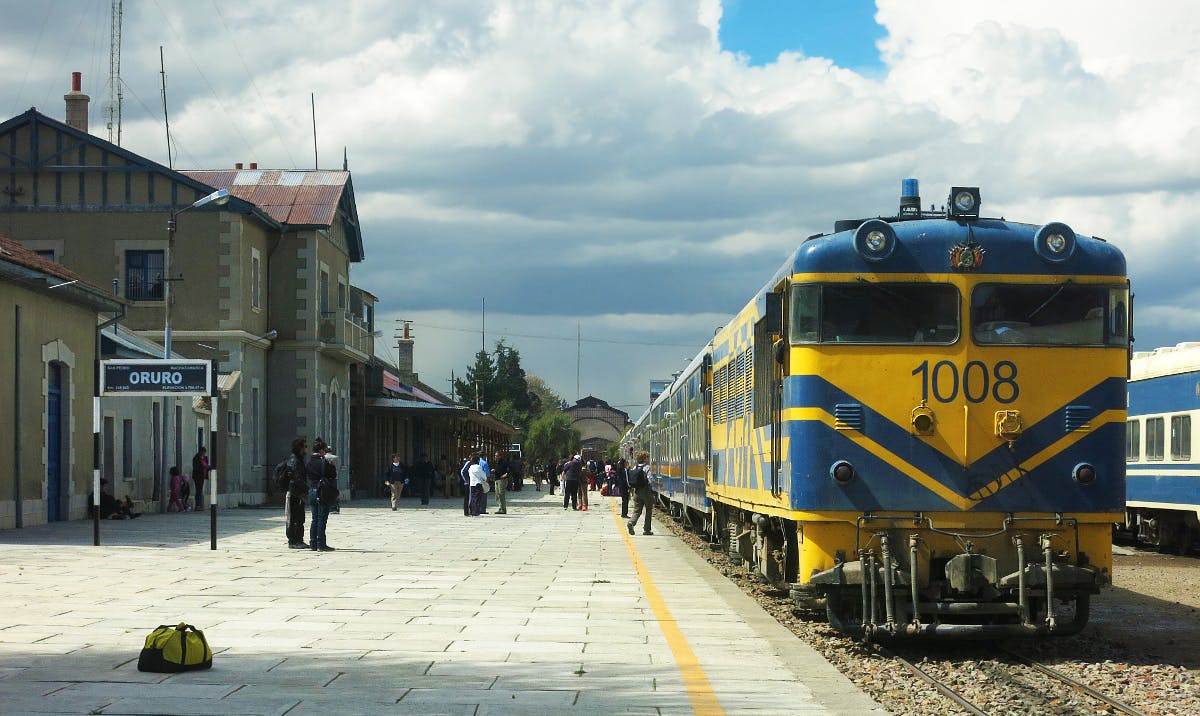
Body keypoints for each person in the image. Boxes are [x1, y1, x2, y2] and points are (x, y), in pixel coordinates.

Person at [306, 438, 335, 551]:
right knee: (322, 518)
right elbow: (332, 474)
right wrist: (331, 464)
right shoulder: (323, 462)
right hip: (322, 491)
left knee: (314, 518)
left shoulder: (309, 462)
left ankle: (313, 543)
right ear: (322, 450)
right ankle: (321, 544)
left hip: (312, 490)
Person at [283, 438, 309, 549]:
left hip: (299, 493)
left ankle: (299, 539)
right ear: (300, 448)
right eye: (305, 446)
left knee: (300, 518)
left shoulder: (299, 460)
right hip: (294, 493)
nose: (306, 449)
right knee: (293, 518)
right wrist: (307, 488)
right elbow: (297, 478)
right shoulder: (295, 461)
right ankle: (293, 541)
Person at [626, 450, 653, 536]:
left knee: (637, 511)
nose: (649, 459)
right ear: (645, 459)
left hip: (637, 492)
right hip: (646, 491)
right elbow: (650, 480)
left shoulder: (635, 468)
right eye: (648, 457)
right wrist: (658, 484)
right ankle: (647, 529)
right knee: (648, 510)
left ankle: (631, 522)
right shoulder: (647, 467)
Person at [491, 450, 510, 515]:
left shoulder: (504, 462)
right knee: (497, 495)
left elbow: (510, 469)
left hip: (502, 480)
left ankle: (503, 509)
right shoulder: (495, 462)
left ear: (500, 456)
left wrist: (506, 474)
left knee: (501, 494)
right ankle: (500, 507)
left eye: (497, 456)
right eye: (495, 456)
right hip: (496, 479)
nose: (495, 457)